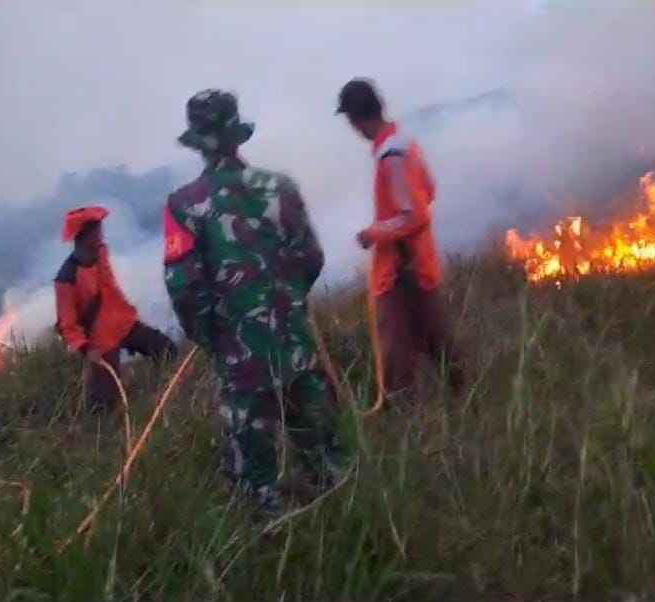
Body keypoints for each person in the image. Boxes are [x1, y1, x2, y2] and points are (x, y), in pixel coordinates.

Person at [164, 89, 348, 520]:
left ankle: (273, 545)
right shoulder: (281, 189)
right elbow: (311, 259)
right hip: (297, 344)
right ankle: (347, 526)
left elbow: (183, 287)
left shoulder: (185, 205)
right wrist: (288, 302)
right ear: (236, 135)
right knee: (325, 458)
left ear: (198, 141)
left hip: (240, 358)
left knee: (255, 481)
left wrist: (214, 339)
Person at [336, 78, 465, 402]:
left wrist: (373, 233)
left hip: (400, 268)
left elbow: (414, 215)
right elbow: (429, 191)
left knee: (396, 351)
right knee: (435, 338)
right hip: (417, 261)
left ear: (355, 120)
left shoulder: (390, 154)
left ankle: (409, 424)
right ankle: (465, 398)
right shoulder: (405, 143)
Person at [54, 208, 177, 413]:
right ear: (84, 236)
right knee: (102, 407)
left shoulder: (101, 253)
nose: (101, 234)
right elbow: (68, 324)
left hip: (124, 324)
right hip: (101, 344)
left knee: (166, 351)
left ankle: (157, 398)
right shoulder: (67, 278)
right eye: (97, 230)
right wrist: (86, 349)